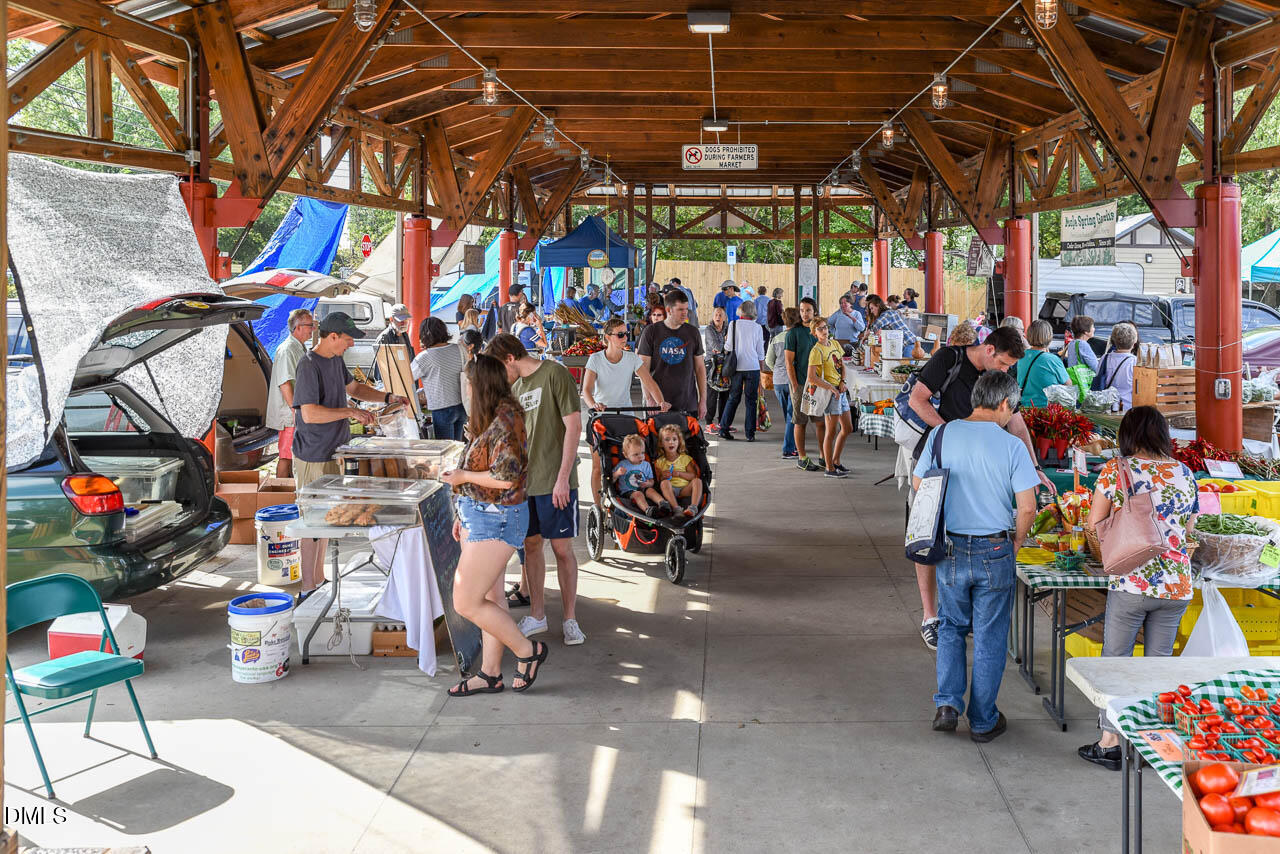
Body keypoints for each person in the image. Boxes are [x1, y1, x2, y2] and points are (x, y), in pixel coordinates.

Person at [906, 326, 1053, 650]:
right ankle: (931, 616)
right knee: (928, 538)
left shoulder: (996, 384)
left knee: (960, 542)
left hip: (965, 457)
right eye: (1003, 364)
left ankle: (956, 615)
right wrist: (953, 434)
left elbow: (1015, 422)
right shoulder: (948, 359)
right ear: (989, 350)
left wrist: (1036, 467)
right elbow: (918, 400)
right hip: (937, 464)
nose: (1005, 370)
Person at [917, 370, 1038, 743]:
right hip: (995, 549)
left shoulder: (941, 434)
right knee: (989, 636)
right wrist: (1015, 545)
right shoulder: (1012, 446)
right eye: (1011, 408)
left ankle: (947, 705)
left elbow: (922, 486)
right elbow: (1029, 508)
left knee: (951, 627)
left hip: (950, 548)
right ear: (1003, 404)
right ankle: (983, 721)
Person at [1077, 406, 1198, 770]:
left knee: (1117, 661)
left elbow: (1095, 522)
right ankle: (1150, 744)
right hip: (1176, 585)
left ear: (1128, 436)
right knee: (1157, 668)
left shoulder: (1119, 469)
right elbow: (1190, 529)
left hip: (1132, 581)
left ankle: (1111, 742)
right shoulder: (1185, 472)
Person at [439, 353, 548, 697]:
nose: (466, 389)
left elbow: (506, 474)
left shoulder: (504, 418)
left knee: (466, 602)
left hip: (497, 518)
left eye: (469, 383)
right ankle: (489, 674)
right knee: (491, 597)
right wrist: (462, 508)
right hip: (482, 514)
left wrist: (461, 477)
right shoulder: (494, 415)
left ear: (479, 385)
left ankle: (528, 651)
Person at [294, 312, 409, 594]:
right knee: (310, 521)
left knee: (326, 518)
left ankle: (319, 579)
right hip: (313, 453)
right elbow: (308, 414)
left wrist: (387, 398)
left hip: (335, 450)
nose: (349, 345)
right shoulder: (309, 365)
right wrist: (350, 411)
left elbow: (354, 388)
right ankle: (307, 587)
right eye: (346, 340)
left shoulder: (335, 360)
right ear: (332, 337)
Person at [485, 333, 586, 646]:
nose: (502, 376)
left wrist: (562, 477)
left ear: (510, 358)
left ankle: (570, 618)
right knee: (531, 546)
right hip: (526, 484)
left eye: (501, 368)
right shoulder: (516, 389)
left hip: (556, 482)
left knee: (562, 549)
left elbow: (574, 426)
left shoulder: (554, 373)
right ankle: (538, 614)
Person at [582, 318, 669, 504]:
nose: (625, 338)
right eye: (620, 334)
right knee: (598, 466)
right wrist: (593, 405)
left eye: (626, 334)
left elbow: (649, 382)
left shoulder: (632, 358)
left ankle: (629, 497)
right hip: (601, 418)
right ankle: (598, 506)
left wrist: (661, 402)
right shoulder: (595, 359)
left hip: (625, 418)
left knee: (633, 459)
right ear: (608, 337)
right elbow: (586, 390)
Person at [637, 288, 707, 422]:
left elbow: (700, 368)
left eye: (686, 309)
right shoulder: (651, 332)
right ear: (668, 310)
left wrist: (703, 400)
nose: (685, 313)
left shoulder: (693, 332)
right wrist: (649, 398)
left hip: (687, 402)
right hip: (659, 403)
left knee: (685, 442)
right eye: (680, 310)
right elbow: (643, 370)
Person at [265, 308, 314, 479]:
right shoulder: (287, 349)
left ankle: (289, 493)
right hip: (289, 413)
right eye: (310, 325)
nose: (313, 329)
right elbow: (285, 384)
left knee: (292, 456)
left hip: (296, 410)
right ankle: (280, 497)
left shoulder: (299, 347)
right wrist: (296, 411)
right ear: (298, 327)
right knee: (286, 456)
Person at [806, 316, 853, 478]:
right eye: (820, 329)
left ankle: (836, 461)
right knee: (831, 432)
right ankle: (829, 468)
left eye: (825, 327)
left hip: (841, 390)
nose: (824, 331)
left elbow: (841, 364)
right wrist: (831, 388)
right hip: (830, 394)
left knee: (847, 428)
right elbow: (812, 377)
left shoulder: (834, 344)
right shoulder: (816, 351)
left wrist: (843, 381)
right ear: (814, 333)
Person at [785, 297, 827, 472]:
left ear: (814, 311)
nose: (804, 313)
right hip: (801, 383)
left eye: (808, 310)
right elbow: (788, 362)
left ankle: (824, 455)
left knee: (820, 422)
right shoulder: (793, 333)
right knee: (800, 422)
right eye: (802, 310)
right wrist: (795, 385)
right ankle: (802, 457)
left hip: (819, 384)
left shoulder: (819, 331)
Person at [412, 317, 467, 441]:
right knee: (457, 449)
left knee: (446, 451)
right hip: (462, 405)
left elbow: (406, 377)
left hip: (442, 408)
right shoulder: (459, 348)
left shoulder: (425, 357)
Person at [719, 300, 766, 442]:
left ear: (741, 311)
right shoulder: (758, 327)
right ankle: (750, 433)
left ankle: (724, 428)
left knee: (733, 398)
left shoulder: (733, 324)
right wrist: (762, 369)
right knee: (751, 400)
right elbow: (760, 351)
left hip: (736, 367)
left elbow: (727, 347)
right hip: (753, 367)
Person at [765, 307, 801, 459]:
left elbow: (768, 361)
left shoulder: (776, 338)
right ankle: (788, 449)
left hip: (778, 381)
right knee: (792, 416)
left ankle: (793, 444)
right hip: (793, 381)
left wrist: (778, 371)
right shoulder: (798, 337)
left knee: (789, 414)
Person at [1016, 319, 1071, 408]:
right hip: (1046, 411)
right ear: (1049, 336)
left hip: (1025, 408)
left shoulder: (1022, 356)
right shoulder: (1052, 359)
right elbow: (1068, 384)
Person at [613, 434, 667, 516]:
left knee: (650, 490)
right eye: (636, 454)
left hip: (644, 487)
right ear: (626, 455)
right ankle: (648, 510)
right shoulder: (622, 465)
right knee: (638, 494)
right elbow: (612, 479)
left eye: (642, 453)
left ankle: (663, 504)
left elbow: (652, 481)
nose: (641, 457)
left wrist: (648, 483)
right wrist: (617, 473)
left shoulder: (646, 465)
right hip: (628, 492)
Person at [656, 424, 703, 517]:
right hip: (671, 490)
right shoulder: (659, 462)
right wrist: (663, 476)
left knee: (697, 481)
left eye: (674, 439)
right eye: (667, 439)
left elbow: (693, 475)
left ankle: (693, 507)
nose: (671, 442)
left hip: (685, 489)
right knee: (664, 483)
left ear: (679, 442)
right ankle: (676, 509)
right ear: (661, 443)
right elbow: (659, 480)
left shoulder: (685, 458)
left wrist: (679, 474)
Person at [1098, 321, 1139, 410]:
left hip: (1106, 408)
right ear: (1134, 340)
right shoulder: (1135, 362)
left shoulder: (1104, 358)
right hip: (1128, 408)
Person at [371, 303, 414, 384]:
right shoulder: (384, 338)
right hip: (391, 384)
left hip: (405, 381)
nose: (404, 323)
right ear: (391, 319)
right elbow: (379, 371)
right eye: (400, 320)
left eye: (406, 320)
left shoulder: (405, 335)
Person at [703, 306, 730, 431]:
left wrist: (726, 344)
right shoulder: (709, 329)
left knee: (725, 393)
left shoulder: (728, 328)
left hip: (725, 364)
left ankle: (722, 423)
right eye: (716, 315)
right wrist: (726, 344)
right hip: (712, 364)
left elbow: (732, 345)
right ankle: (709, 423)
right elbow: (716, 346)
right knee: (712, 394)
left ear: (725, 317)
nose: (718, 317)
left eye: (720, 315)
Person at [458, 328, 483, 417]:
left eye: (461, 341)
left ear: (470, 346)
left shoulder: (474, 365)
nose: (459, 343)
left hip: (472, 413)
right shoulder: (480, 361)